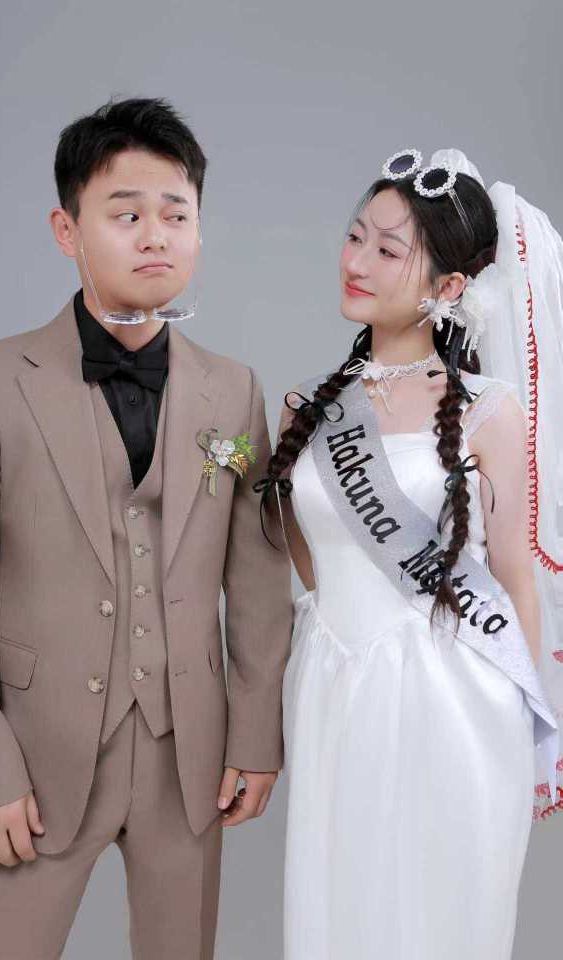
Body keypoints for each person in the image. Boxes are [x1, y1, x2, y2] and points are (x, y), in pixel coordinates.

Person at [0, 96, 292, 960]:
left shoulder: (233, 390)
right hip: (34, 753)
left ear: (199, 230)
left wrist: (255, 736)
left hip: (187, 754)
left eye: (176, 214)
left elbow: (259, 578)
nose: (155, 236)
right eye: (126, 215)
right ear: (68, 230)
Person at [257, 148, 563, 959]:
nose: (357, 261)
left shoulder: (488, 411)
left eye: (388, 250)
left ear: (451, 287)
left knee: (439, 918)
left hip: (453, 699)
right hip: (333, 687)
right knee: (338, 910)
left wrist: (518, 732)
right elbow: (309, 568)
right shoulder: (308, 410)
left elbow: (515, 583)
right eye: (356, 236)